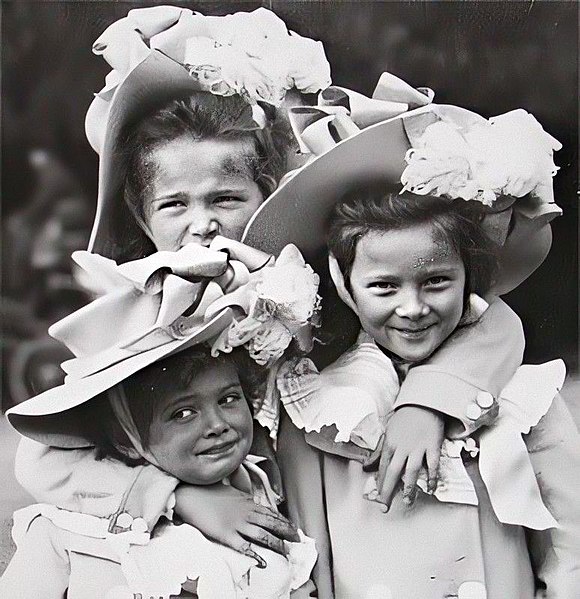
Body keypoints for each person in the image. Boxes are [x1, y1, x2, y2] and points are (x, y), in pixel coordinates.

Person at [14, 4, 538, 581]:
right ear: (141, 217)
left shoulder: (311, 280)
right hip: (218, 545)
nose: (202, 226)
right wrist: (176, 496)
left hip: (339, 522)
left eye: (225, 199)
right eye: (174, 205)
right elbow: (44, 456)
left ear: (265, 192)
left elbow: (491, 322)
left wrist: (427, 403)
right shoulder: (137, 314)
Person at [241, 100, 578, 597]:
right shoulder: (311, 407)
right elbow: (311, 553)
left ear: (470, 279)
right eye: (384, 287)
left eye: (437, 280)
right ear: (344, 284)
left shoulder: (527, 396)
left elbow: (570, 545)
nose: (413, 308)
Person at [2, 241, 318, 599]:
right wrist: (173, 495)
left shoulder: (260, 497)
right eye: (183, 413)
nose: (217, 424)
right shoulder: (66, 530)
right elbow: (37, 459)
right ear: (126, 439)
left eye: (229, 399)